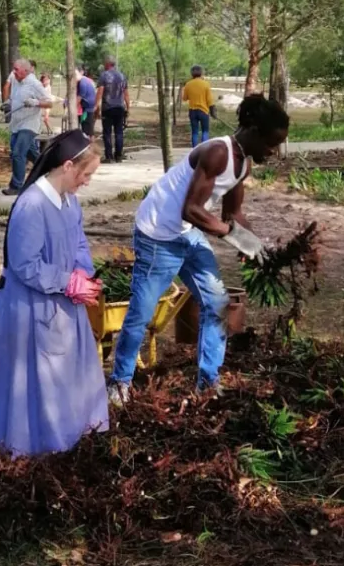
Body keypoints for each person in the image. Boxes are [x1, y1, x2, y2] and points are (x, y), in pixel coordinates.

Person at [107, 93, 289, 405]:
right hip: (158, 233)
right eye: (272, 143)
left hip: (187, 233)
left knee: (217, 303)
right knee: (141, 313)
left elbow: (233, 214)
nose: (274, 152)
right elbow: (191, 209)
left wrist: (255, 244)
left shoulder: (243, 165)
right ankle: (119, 383)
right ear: (254, 131)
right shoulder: (217, 152)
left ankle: (208, 383)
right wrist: (230, 234)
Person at [0, 128, 108, 456]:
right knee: (39, 380)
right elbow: (25, 265)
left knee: (66, 374)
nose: (87, 182)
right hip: (31, 307)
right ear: (67, 166)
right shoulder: (32, 205)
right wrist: (68, 282)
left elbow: (79, 243)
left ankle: (69, 435)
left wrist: (84, 274)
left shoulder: (69, 201)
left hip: (61, 303)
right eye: (86, 174)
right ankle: (37, 444)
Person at [4, 57, 49, 195]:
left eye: (16, 69)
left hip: (29, 124)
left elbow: (49, 103)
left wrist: (35, 102)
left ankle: (16, 186)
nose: (14, 72)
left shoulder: (34, 84)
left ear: (25, 70)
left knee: (18, 153)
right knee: (28, 153)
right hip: (16, 124)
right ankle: (49, 168)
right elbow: (13, 96)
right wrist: (8, 103)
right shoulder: (16, 80)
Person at [95, 56, 130, 162]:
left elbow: (100, 93)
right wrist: (128, 108)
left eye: (104, 63)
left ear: (107, 64)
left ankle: (109, 157)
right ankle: (118, 156)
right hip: (120, 108)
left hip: (108, 108)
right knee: (119, 132)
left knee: (107, 133)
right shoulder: (122, 76)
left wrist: (97, 107)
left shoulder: (104, 76)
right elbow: (126, 94)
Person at [182, 65, 214, 147]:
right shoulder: (206, 84)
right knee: (205, 131)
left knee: (194, 132)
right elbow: (210, 100)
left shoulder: (188, 84)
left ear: (191, 74)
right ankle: (205, 149)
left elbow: (184, 98)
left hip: (192, 111)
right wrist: (213, 111)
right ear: (201, 73)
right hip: (204, 111)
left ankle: (195, 150)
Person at [76, 67, 97, 136]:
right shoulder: (82, 81)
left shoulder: (83, 82)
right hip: (85, 109)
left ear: (81, 73)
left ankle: (89, 141)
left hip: (88, 109)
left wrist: (72, 108)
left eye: (75, 74)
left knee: (87, 131)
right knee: (87, 129)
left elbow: (79, 97)